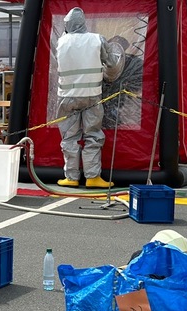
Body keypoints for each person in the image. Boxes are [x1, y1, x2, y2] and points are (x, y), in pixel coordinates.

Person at [55, 8, 122, 188]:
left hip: (67, 98)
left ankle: (71, 177)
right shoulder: (97, 39)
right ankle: (93, 177)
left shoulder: (61, 41)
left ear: (67, 25)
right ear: (84, 23)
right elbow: (111, 64)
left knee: (70, 137)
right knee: (93, 135)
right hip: (91, 96)